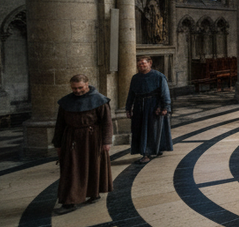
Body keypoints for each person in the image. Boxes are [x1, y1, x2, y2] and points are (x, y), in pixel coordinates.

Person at [52, 74, 113, 214]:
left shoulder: (99, 100)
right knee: (71, 169)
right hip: (71, 138)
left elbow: (107, 122)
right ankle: (69, 201)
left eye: (80, 87)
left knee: (93, 166)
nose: (77, 91)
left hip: (92, 138)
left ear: (87, 84)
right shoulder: (66, 102)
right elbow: (59, 124)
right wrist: (58, 143)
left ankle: (94, 192)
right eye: (74, 88)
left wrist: (106, 141)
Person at [125, 56, 172, 164]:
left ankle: (148, 152)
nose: (141, 66)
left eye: (143, 63)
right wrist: (128, 108)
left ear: (150, 63)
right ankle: (147, 151)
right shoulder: (135, 78)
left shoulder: (159, 76)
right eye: (139, 64)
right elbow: (131, 94)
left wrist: (165, 107)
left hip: (153, 106)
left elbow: (165, 92)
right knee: (140, 130)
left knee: (152, 129)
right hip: (139, 106)